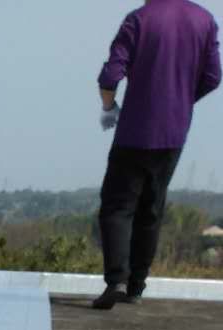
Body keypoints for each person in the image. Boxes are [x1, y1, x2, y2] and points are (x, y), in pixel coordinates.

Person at [92, 0, 221, 310]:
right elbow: (213, 77)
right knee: (151, 208)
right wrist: (181, 99)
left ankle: (116, 280)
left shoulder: (138, 20)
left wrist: (109, 107)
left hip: (134, 131)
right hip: (174, 132)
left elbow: (110, 76)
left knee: (117, 207)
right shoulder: (205, 20)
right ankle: (136, 286)